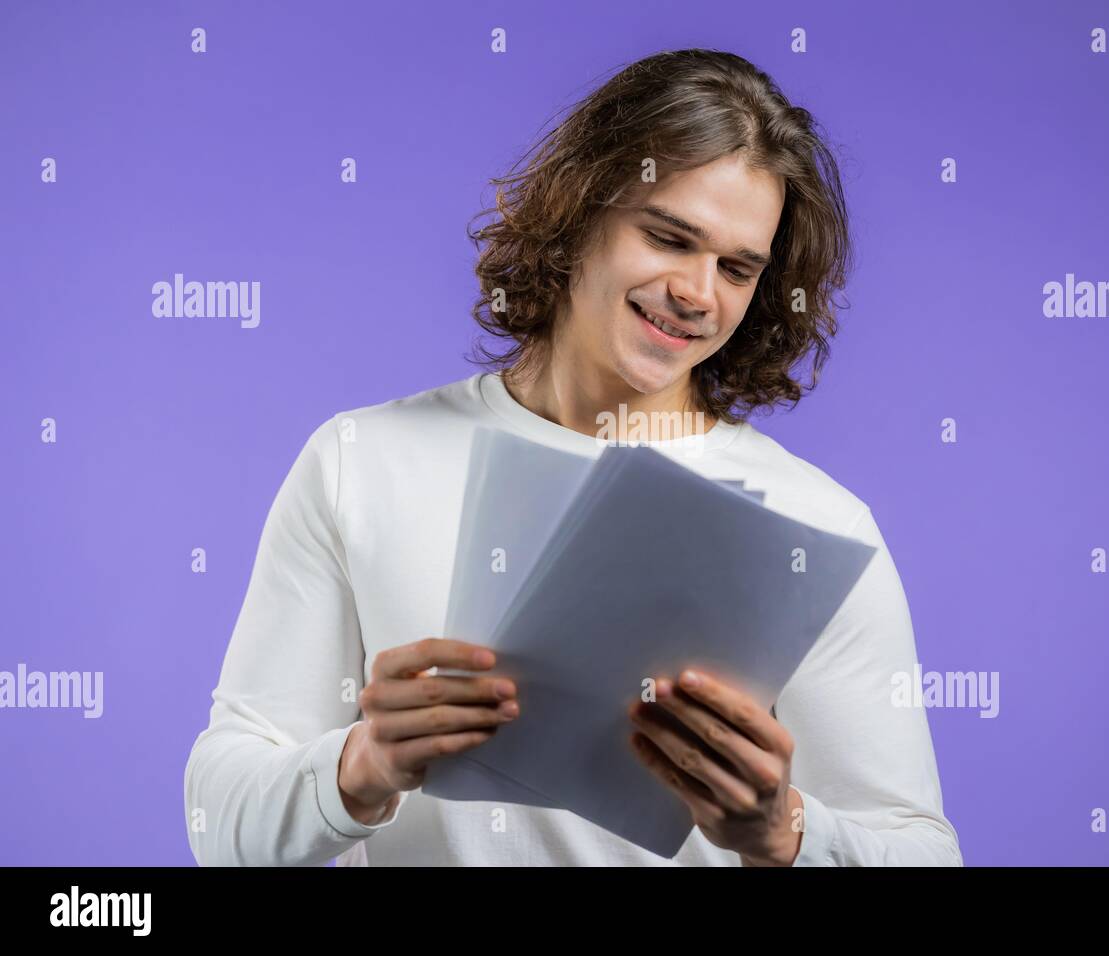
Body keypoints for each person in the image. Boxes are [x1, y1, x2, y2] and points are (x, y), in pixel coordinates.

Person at [184, 48, 962, 867]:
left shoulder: (817, 526)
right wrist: (360, 769)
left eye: (736, 268)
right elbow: (219, 825)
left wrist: (785, 833)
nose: (699, 293)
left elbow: (921, 854)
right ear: (580, 207)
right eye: (669, 236)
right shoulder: (360, 462)